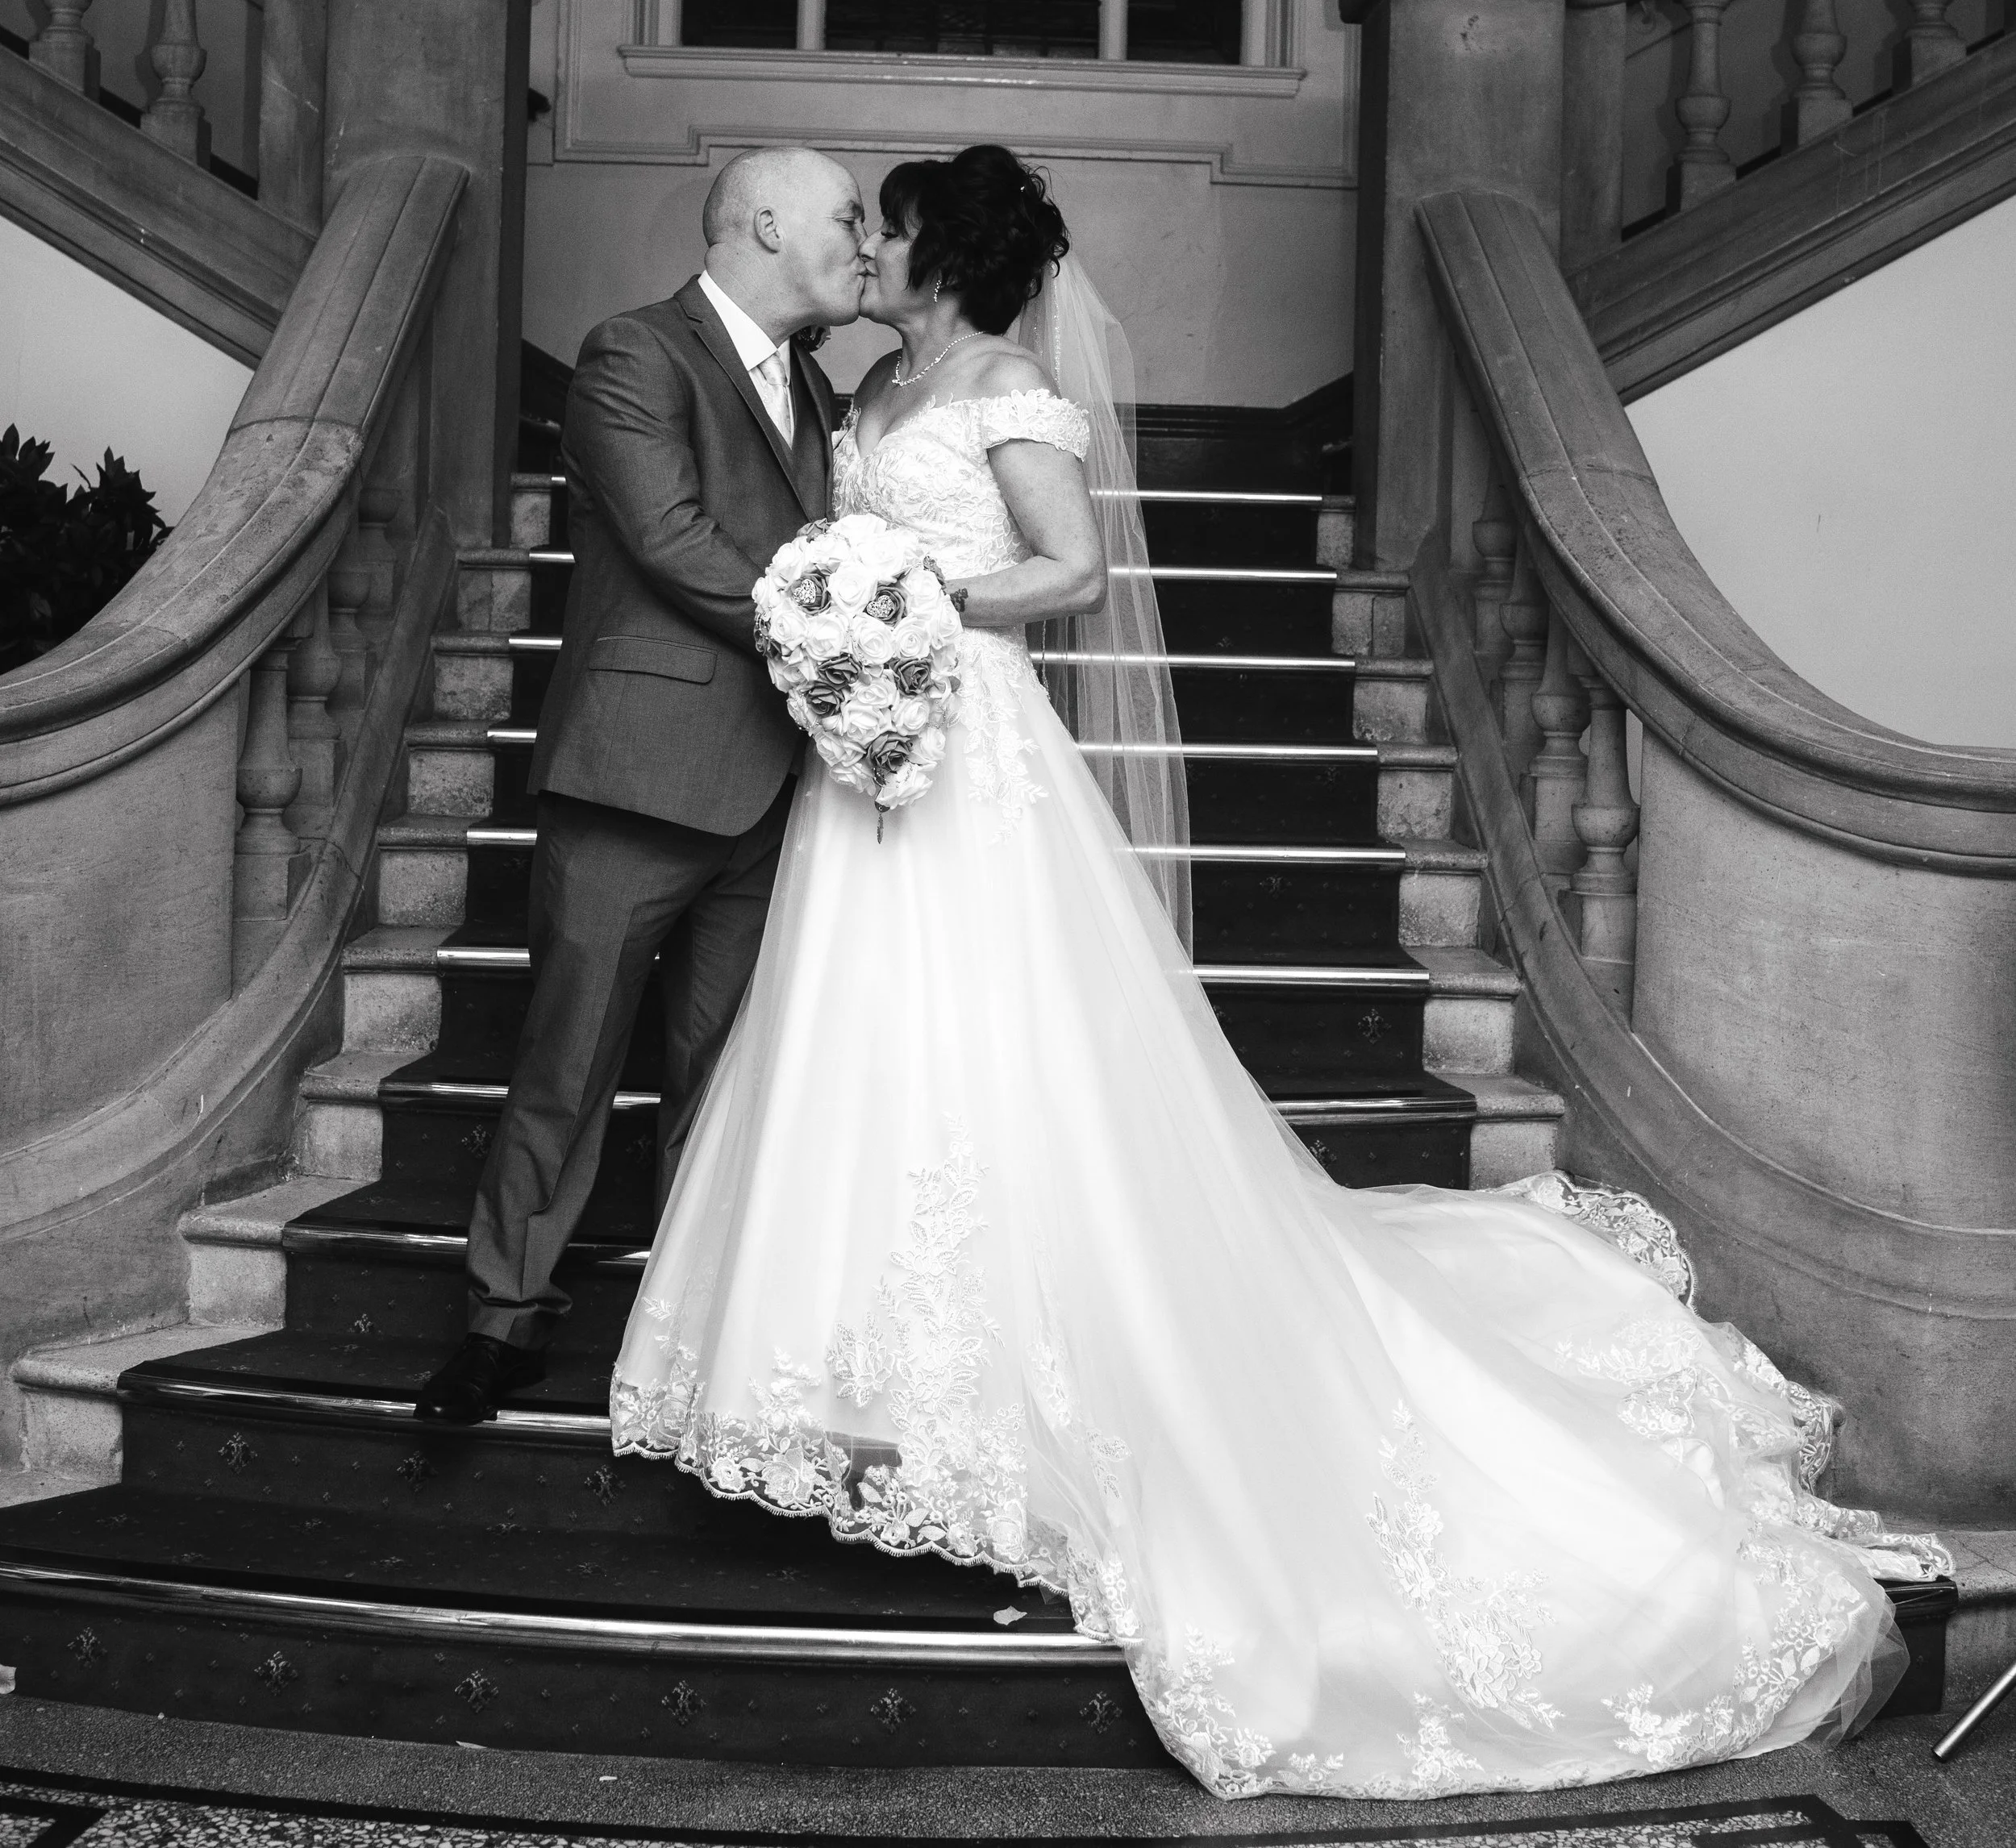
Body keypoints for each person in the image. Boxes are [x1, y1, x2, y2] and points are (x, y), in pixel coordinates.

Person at [610, 144, 1925, 1800]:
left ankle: (1024, 1372)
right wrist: (846, 614)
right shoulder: (866, 381)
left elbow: (1070, 572)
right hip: (860, 754)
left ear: (947, 240)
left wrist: (913, 596)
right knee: (847, 1042)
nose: (867, 242)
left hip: (971, 747)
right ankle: (852, 1368)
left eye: (887, 219)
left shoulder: (1010, 382)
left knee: (999, 1047)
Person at [415, 145, 867, 1426]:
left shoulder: (826, 390)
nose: (864, 241)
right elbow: (671, 540)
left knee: (723, 1080)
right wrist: (847, 637)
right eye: (845, 216)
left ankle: (693, 1334)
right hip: (635, 776)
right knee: (567, 1062)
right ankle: (503, 1321)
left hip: (779, 788)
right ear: (766, 221)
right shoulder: (633, 352)